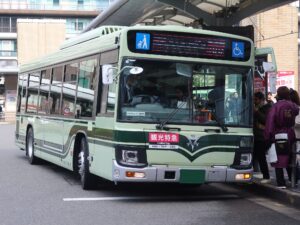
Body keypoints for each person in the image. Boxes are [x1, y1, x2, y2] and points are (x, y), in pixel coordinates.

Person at [264, 86, 299, 188]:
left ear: (279, 94)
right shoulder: (293, 105)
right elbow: (296, 113)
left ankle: (281, 183)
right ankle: (294, 179)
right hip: (290, 133)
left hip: (278, 133)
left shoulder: (276, 107)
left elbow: (270, 122)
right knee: (290, 156)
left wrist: (268, 137)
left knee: (278, 158)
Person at [253, 92, 272, 183]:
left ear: (261, 100)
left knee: (261, 156)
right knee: (255, 155)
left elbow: (265, 120)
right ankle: (257, 172)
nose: (255, 102)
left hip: (262, 136)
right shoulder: (258, 107)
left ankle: (266, 176)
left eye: (256, 100)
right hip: (256, 135)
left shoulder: (268, 108)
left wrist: (256, 112)